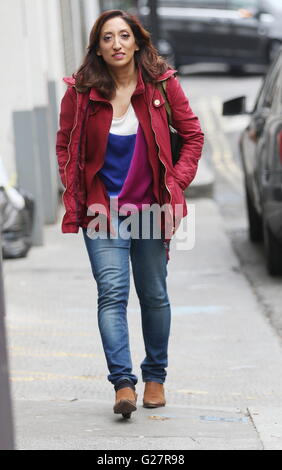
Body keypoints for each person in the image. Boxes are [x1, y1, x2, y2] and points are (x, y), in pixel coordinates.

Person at [56, 9, 204, 419]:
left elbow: (193, 136)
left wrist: (176, 181)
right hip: (102, 211)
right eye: (108, 38)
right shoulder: (82, 92)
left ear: (137, 42)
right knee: (112, 295)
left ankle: (155, 376)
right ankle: (123, 384)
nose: (117, 44)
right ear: (98, 48)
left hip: (151, 208)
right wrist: (76, 191)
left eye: (124, 36)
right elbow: (65, 143)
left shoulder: (161, 85)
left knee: (154, 294)